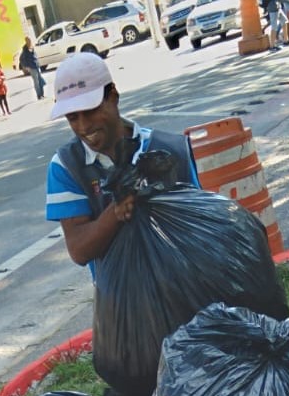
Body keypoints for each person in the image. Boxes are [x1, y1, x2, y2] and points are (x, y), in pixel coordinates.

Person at [45, 51, 200, 272]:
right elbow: (79, 250)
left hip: (187, 288)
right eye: (72, 117)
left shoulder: (169, 150)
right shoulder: (65, 167)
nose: (83, 126)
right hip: (122, 302)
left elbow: (199, 219)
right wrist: (115, 212)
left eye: (90, 111)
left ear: (114, 97)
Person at [18, 35, 46, 100]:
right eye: (28, 40)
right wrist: (26, 66)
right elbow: (21, 59)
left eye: (30, 40)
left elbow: (34, 55)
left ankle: (42, 94)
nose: (29, 41)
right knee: (36, 82)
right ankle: (39, 95)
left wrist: (37, 61)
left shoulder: (32, 47)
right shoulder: (25, 49)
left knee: (40, 80)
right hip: (32, 67)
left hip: (36, 66)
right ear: (26, 41)